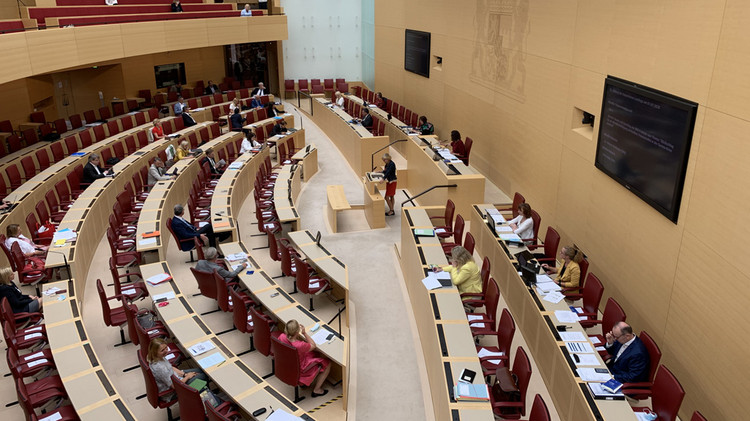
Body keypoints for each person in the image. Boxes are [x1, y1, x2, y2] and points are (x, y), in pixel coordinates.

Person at [279, 320, 331, 397]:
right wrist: (304, 333)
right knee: (327, 363)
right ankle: (317, 390)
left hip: (289, 364)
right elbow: (313, 345)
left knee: (313, 353)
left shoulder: (281, 337)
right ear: (297, 332)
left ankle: (304, 384)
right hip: (301, 369)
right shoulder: (299, 345)